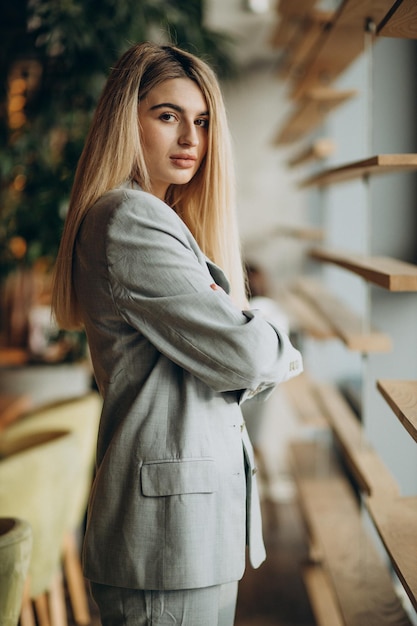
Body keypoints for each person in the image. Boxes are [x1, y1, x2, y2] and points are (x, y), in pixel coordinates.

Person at [51, 41, 302, 626]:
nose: (191, 138)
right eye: (168, 116)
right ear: (126, 122)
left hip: (191, 533)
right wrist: (274, 338)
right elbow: (249, 354)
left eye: (203, 121)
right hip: (165, 541)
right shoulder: (129, 219)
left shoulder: (159, 219)